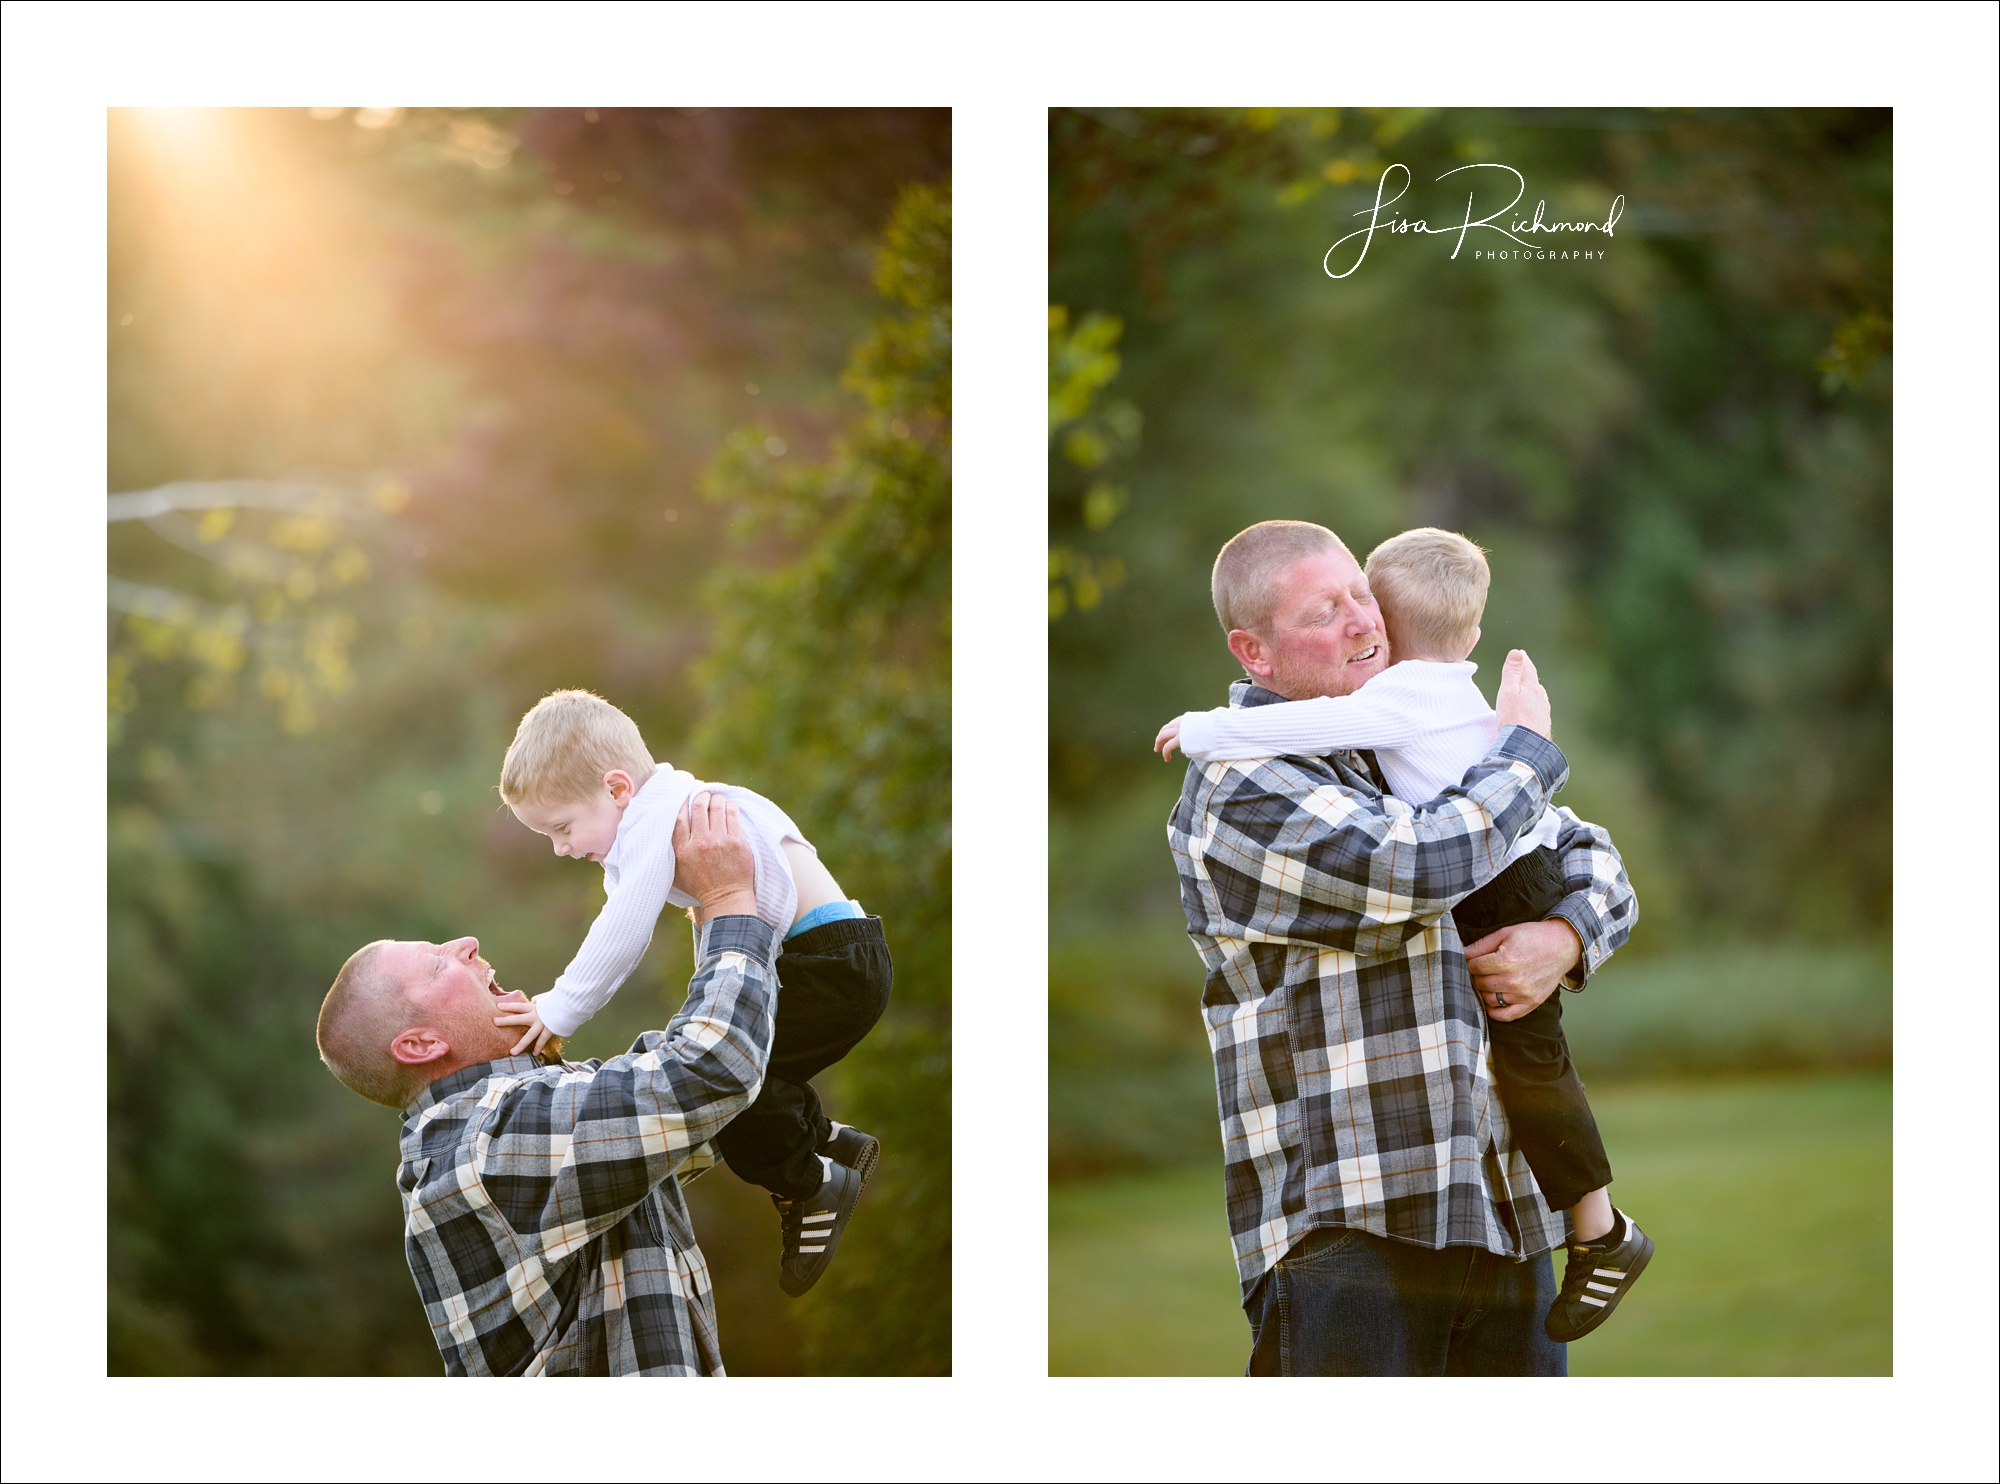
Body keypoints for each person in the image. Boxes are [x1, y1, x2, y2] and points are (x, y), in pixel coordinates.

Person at [1164, 519, 1637, 1375]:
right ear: (1255, 652)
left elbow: (1591, 858)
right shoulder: (1244, 784)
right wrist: (1528, 750)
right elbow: (1413, 866)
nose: (1362, 621)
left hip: (1504, 1210)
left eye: (1361, 595)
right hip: (1353, 1221)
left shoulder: (1401, 744)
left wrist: (1563, 937)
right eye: (1324, 612)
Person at [316, 793, 771, 1375]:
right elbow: (712, 1069)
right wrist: (728, 898)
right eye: (438, 964)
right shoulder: (484, 1141)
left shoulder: (524, 1116)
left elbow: (715, 1094)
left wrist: (718, 910)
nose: (467, 944)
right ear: (422, 1045)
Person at [493, 689, 890, 1296]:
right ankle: (832, 1142)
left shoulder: (665, 816)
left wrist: (560, 1006)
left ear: (619, 788)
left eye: (563, 827)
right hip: (828, 958)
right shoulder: (668, 812)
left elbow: (622, 930)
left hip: (832, 967)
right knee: (738, 1073)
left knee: (728, 1086)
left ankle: (813, 1182)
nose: (562, 848)